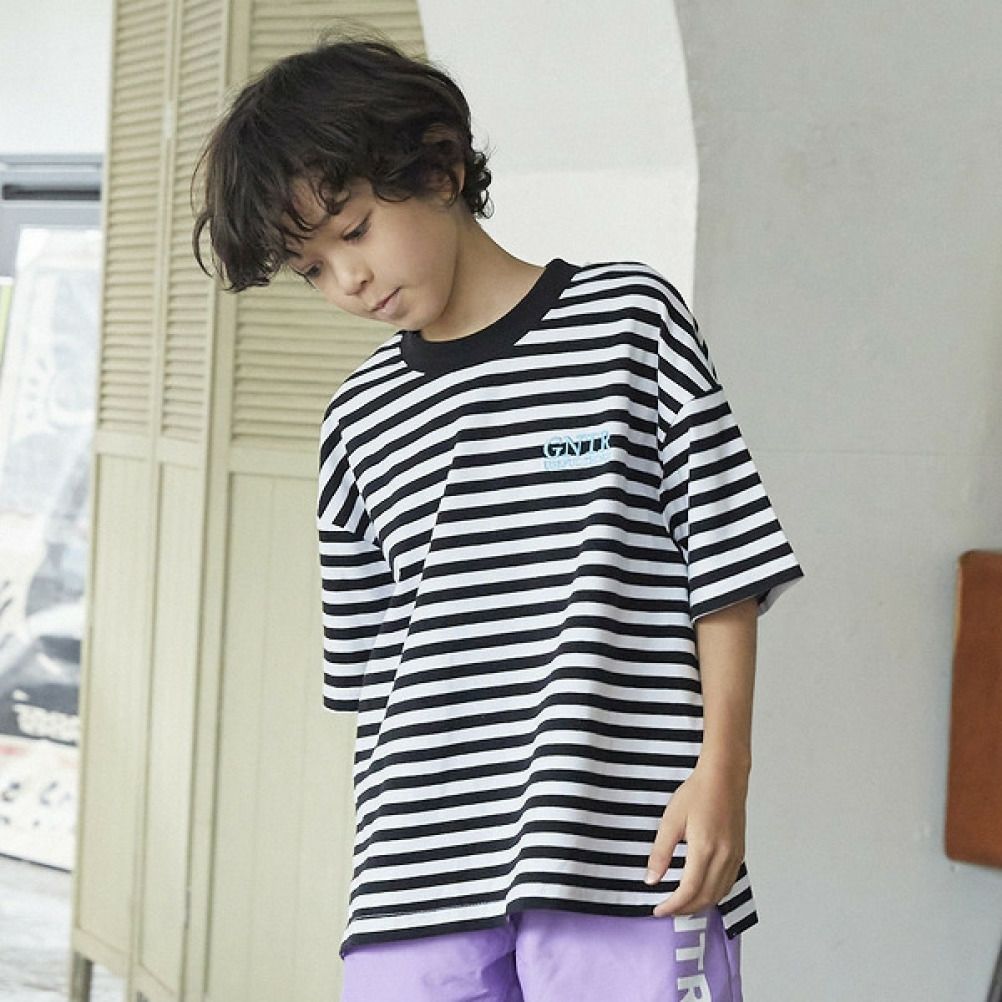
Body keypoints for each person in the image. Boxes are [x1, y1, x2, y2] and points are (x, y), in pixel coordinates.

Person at [192, 25, 805, 1002]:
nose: (347, 281)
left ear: (440, 167)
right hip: (416, 882)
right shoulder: (357, 420)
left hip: (628, 853)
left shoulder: (630, 326)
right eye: (311, 268)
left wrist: (722, 771)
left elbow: (726, 567)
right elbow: (375, 684)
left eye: (353, 231)